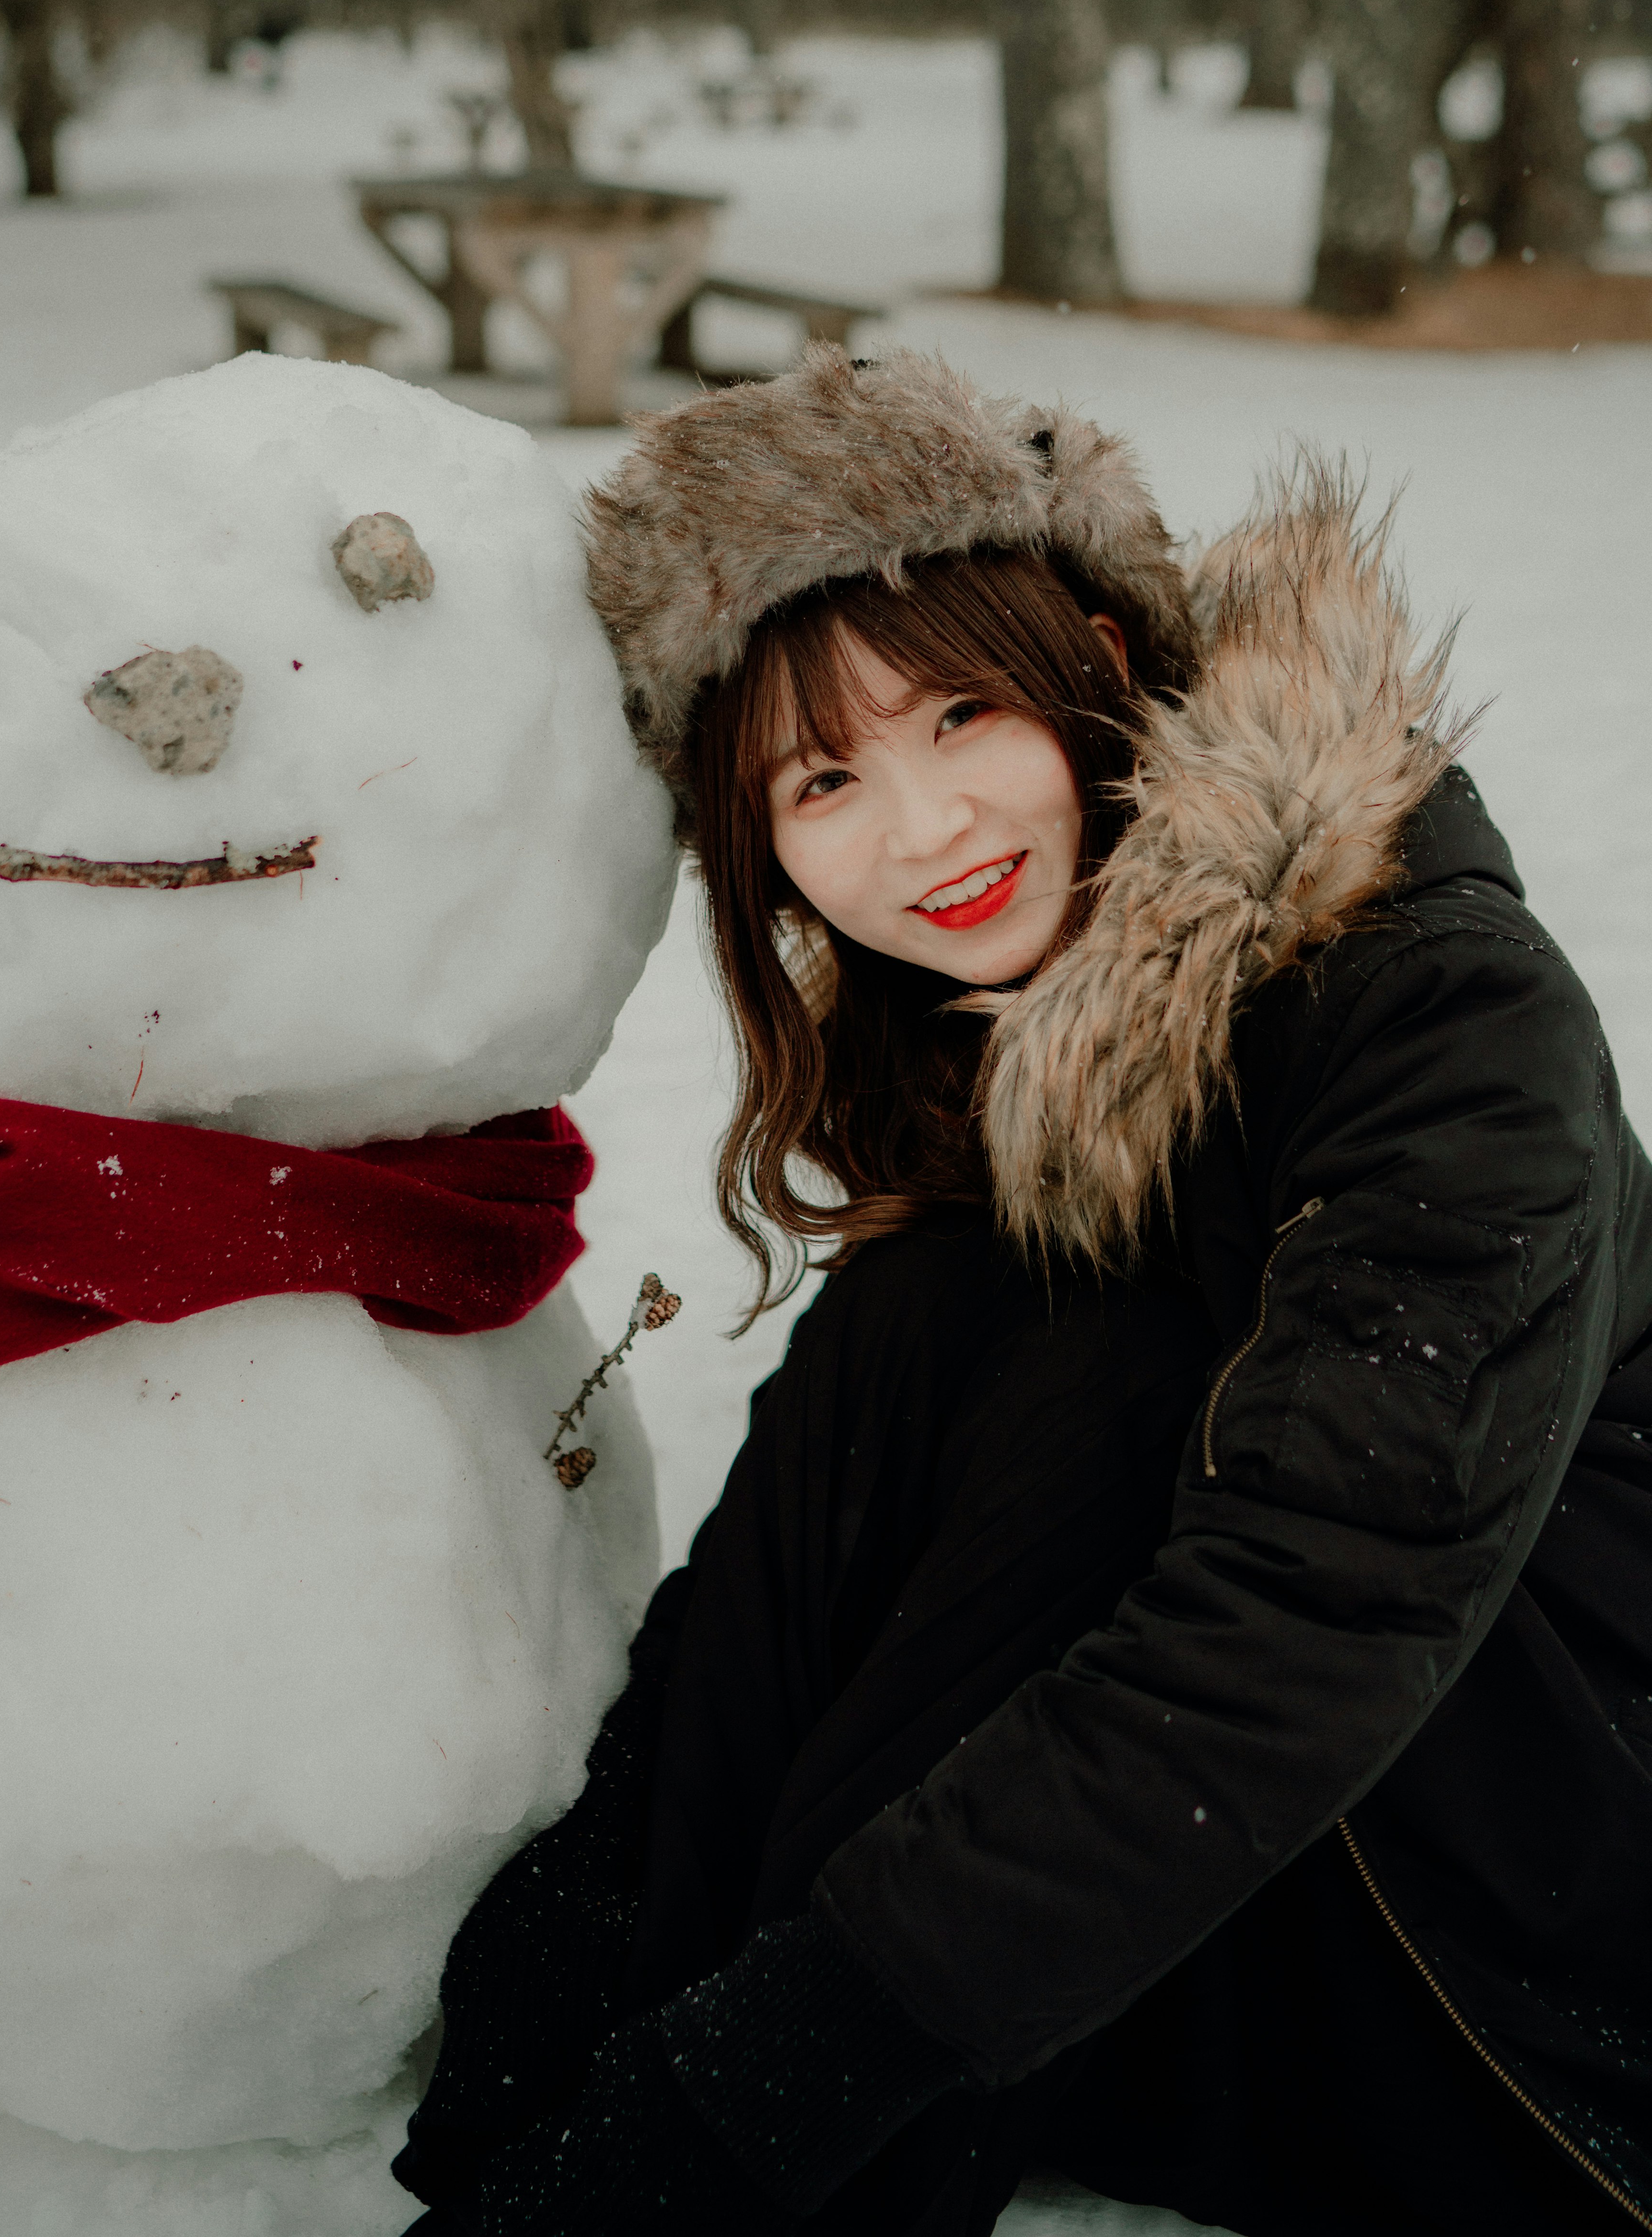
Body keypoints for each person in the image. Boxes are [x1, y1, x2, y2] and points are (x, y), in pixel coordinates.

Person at [392, 348, 1652, 2237]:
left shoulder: (1443, 1011)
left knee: (1110, 1345)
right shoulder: (1023, 1058)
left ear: (1088, 652)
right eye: (822, 777)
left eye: (962, 712)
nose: (923, 834)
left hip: (1517, 1924)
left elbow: (1312, 1613)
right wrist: (561, 1972)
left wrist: (751, 2097)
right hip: (1207, 1922)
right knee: (925, 1320)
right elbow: (786, 1552)